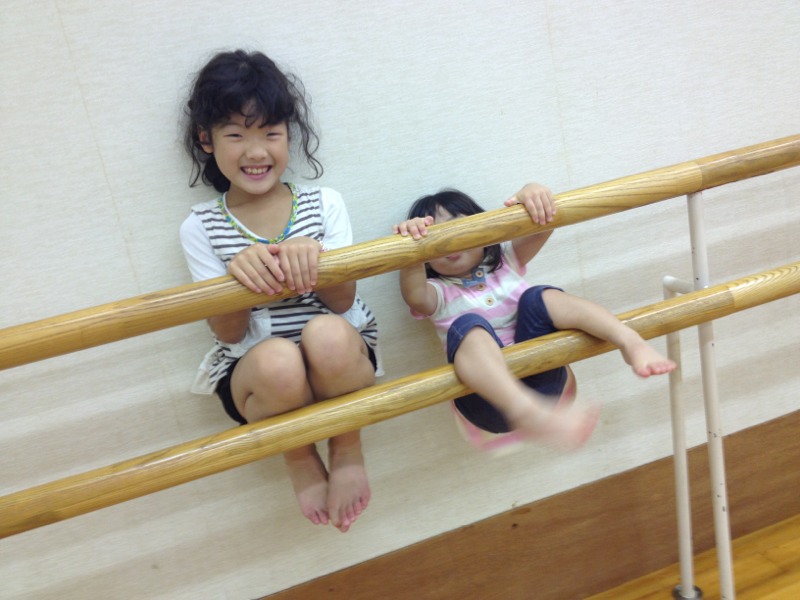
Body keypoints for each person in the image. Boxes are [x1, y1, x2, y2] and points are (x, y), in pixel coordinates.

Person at [179, 50, 381, 533]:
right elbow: (228, 334)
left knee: (326, 334)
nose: (256, 152)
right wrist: (237, 284)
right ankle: (298, 457)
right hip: (256, 375)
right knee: (276, 360)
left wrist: (315, 256)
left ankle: (347, 448)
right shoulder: (200, 227)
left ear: (289, 135)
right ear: (206, 140)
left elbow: (342, 302)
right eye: (235, 135)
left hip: (339, 354)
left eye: (270, 133)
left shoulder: (324, 204)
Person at [393, 184, 675, 451]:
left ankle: (629, 341)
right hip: (486, 401)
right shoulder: (437, 292)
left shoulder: (506, 263)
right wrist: (410, 249)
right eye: (436, 238)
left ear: (482, 230)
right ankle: (526, 411)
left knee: (537, 296)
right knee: (467, 325)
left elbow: (543, 225)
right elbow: (414, 294)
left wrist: (532, 193)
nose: (450, 244)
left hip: (543, 383)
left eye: (457, 229)